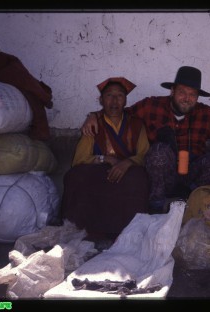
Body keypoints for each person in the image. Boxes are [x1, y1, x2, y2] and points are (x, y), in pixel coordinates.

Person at [81, 66, 210, 214]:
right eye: (183, 92)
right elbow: (118, 112)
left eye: (192, 94)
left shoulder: (206, 114)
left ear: (197, 97)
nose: (187, 98)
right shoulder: (151, 106)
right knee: (159, 150)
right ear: (172, 91)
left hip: (193, 176)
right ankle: (157, 206)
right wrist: (94, 115)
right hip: (163, 175)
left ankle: (190, 202)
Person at [61, 77, 150, 240]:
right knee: (75, 176)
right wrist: (106, 159)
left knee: (139, 178)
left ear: (125, 100)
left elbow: (144, 154)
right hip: (100, 171)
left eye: (120, 96)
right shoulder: (93, 124)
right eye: (109, 95)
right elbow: (79, 159)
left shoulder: (137, 124)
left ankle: (128, 233)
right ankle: (85, 229)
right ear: (101, 100)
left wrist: (127, 163)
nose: (114, 101)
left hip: (128, 172)